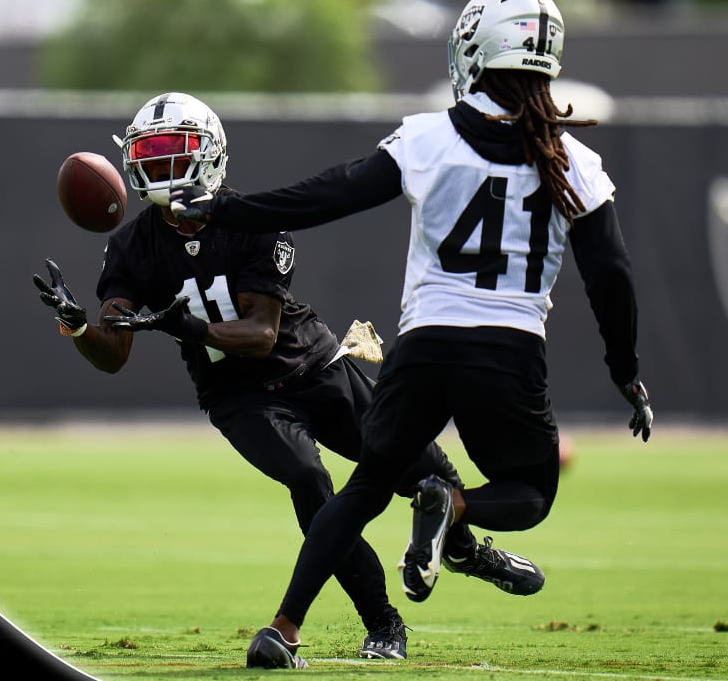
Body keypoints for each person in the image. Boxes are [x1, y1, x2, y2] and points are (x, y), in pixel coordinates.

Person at [169, 0, 654, 669]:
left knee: (367, 486)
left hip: (424, 348)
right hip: (510, 352)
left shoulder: (429, 135)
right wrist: (626, 371)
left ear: (477, 51)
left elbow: (329, 195)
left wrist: (226, 209)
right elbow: (612, 274)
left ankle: (282, 627)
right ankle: (455, 511)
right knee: (530, 494)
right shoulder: (574, 160)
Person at [31, 92, 543, 663]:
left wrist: (186, 326)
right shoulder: (131, 245)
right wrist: (79, 326)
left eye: (175, 152)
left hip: (311, 366)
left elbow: (261, 335)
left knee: (418, 466)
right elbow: (115, 349)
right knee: (308, 480)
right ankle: (383, 621)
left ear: (209, 157)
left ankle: (465, 550)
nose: (160, 165)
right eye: (150, 152)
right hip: (237, 395)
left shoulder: (252, 220)